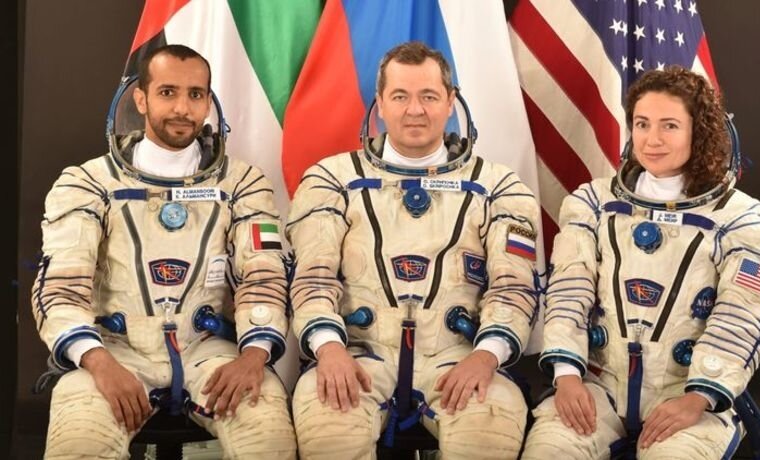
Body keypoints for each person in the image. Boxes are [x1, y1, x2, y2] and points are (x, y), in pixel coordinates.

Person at [31, 44, 296, 459]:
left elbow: (264, 275)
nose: (182, 108)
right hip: (113, 349)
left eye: (195, 94)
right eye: (168, 92)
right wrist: (97, 361)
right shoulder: (87, 184)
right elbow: (61, 288)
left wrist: (253, 355)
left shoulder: (243, 185)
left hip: (209, 349)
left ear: (208, 102)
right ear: (141, 99)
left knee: (270, 440)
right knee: (79, 446)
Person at [285, 41, 540, 459]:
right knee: (331, 435)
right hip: (357, 355)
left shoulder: (498, 187)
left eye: (429, 96)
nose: (415, 110)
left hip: (460, 357)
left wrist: (487, 355)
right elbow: (313, 276)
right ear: (380, 103)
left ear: (451, 101)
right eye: (401, 96)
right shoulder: (332, 179)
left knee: (487, 436)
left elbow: (513, 287)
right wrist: (328, 347)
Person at [522, 65, 760, 459]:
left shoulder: (739, 219)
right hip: (596, 387)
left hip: (688, 395)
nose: (652, 139)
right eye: (642, 124)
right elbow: (567, 292)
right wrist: (567, 375)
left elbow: (743, 315)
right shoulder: (593, 204)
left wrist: (698, 397)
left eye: (670, 126)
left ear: (699, 131)